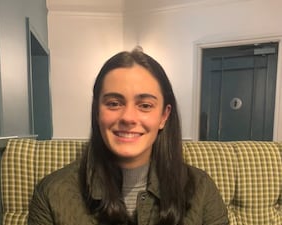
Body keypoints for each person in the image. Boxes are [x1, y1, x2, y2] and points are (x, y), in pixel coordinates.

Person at [28, 49, 229, 225]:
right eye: (114, 103)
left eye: (145, 105)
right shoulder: (52, 193)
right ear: (97, 112)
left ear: (164, 116)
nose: (128, 117)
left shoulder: (202, 189)